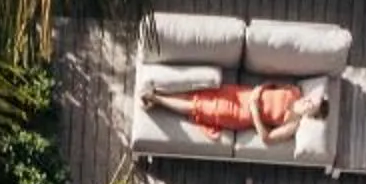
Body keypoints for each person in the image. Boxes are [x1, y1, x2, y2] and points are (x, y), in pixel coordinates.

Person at [139, 74, 330, 145]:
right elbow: (272, 83)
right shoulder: (295, 90)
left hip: (238, 114)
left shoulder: (292, 124)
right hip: (241, 93)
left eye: (312, 107)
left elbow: (267, 139)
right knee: (197, 96)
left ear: (310, 116)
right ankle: (156, 98)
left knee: (197, 106)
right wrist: (259, 89)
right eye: (312, 100)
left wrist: (255, 110)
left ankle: (154, 97)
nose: (308, 102)